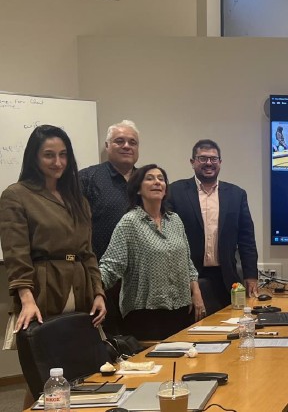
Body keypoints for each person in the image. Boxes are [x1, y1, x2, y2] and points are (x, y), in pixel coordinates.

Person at [0, 125, 106, 344]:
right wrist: (27, 299)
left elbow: (87, 252)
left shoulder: (78, 200)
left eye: (63, 155)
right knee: (47, 358)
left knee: (84, 358)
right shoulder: (16, 195)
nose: (58, 162)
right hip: (43, 291)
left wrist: (98, 292)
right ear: (34, 158)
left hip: (82, 290)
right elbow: (16, 253)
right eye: (49, 155)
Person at [99, 164, 205, 341]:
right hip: (145, 315)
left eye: (161, 179)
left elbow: (188, 263)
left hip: (181, 309)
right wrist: (95, 290)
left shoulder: (175, 220)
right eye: (150, 178)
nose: (157, 182)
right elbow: (111, 265)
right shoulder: (129, 222)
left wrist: (196, 292)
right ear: (138, 189)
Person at [167, 140, 259, 314]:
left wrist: (251, 275)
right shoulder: (174, 191)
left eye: (213, 159)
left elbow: (246, 239)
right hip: (187, 279)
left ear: (220, 162)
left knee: (227, 323)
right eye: (202, 158)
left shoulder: (236, 194)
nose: (209, 163)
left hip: (225, 279)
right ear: (192, 162)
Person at [79, 119, 140, 334]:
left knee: (142, 341)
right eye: (119, 141)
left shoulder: (147, 181)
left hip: (141, 283)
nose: (126, 146)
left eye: (132, 142)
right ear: (107, 146)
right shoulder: (87, 178)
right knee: (112, 342)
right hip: (103, 280)